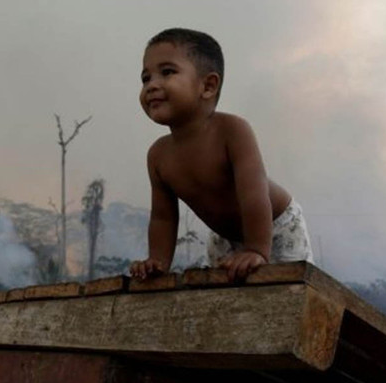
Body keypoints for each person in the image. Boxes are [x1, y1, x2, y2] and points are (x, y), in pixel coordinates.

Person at [130, 28, 313, 282]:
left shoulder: (232, 131)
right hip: (223, 238)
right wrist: (158, 262)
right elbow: (163, 217)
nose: (152, 85)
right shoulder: (158, 155)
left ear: (208, 85)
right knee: (224, 301)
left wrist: (257, 249)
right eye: (145, 78)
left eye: (167, 72)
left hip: (275, 226)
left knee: (288, 291)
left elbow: (253, 194)